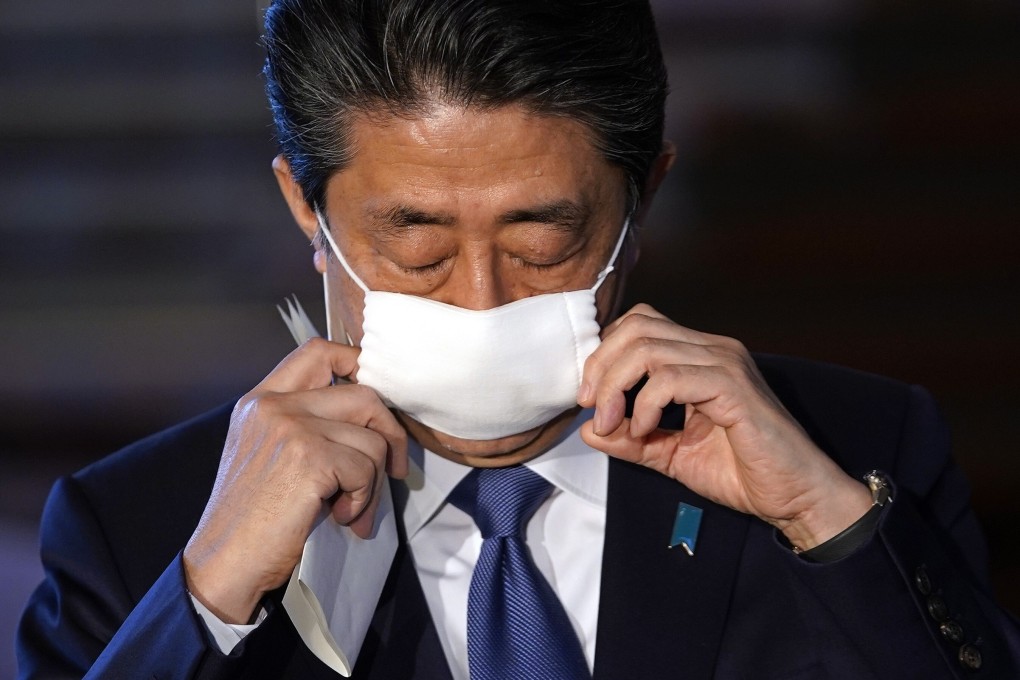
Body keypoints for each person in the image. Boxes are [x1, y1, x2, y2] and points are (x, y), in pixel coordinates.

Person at [16, 0, 1020, 678]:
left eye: (546, 242)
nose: (482, 299)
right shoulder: (140, 528)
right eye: (416, 247)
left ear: (644, 200)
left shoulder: (851, 452)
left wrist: (822, 517)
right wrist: (208, 597)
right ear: (304, 209)